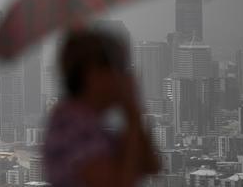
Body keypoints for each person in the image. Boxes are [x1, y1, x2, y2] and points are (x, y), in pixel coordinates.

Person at [43, 29, 160, 187]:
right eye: (118, 66)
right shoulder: (73, 124)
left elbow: (150, 165)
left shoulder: (90, 123)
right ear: (94, 74)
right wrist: (132, 114)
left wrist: (132, 111)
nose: (125, 75)